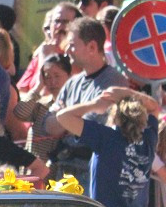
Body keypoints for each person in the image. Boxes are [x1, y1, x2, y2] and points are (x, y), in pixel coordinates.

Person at [56, 88, 159, 207]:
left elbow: (62, 117)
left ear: (114, 117)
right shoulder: (149, 140)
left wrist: (94, 105)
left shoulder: (106, 138)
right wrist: (127, 94)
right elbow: (154, 107)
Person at [42, 16, 129, 184]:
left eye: (73, 45)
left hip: (92, 172)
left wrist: (65, 115)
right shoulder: (72, 83)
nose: (67, 51)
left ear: (92, 47)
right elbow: (49, 125)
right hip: (66, 171)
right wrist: (70, 118)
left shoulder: (114, 83)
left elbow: (91, 127)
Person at [13, 53, 71, 162]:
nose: (52, 82)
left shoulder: (75, 108)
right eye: (47, 77)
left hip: (59, 173)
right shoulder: (42, 105)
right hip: (34, 171)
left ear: (69, 76)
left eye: (57, 76)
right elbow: (19, 113)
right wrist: (38, 87)